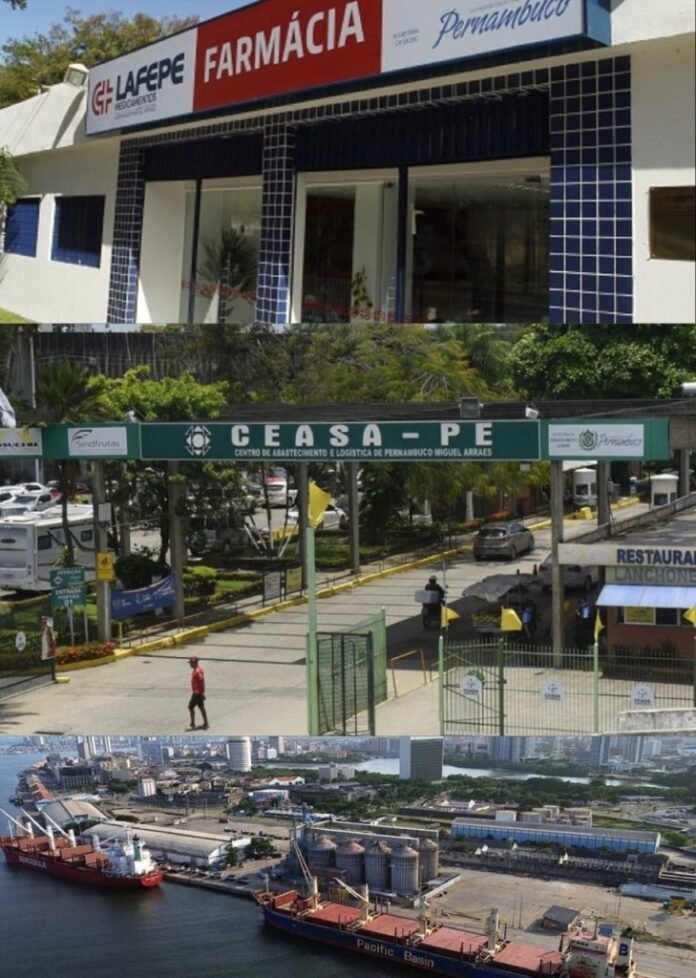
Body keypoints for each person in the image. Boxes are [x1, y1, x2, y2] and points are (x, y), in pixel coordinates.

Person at [187, 656, 209, 731]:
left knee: (190, 707)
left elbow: (202, 681)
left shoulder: (197, 671)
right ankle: (206, 723)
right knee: (201, 707)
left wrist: (202, 693)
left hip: (197, 693)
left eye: (191, 663)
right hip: (197, 692)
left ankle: (193, 723)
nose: (190, 664)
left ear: (195, 662)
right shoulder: (195, 670)